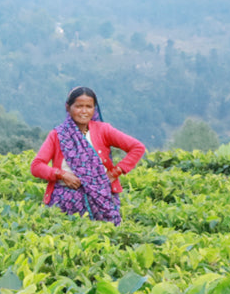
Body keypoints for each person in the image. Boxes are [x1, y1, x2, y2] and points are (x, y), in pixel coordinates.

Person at [30, 86, 145, 225]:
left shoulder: (103, 130)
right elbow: (36, 166)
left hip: (101, 199)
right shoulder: (58, 135)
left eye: (89, 106)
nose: (84, 111)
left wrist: (116, 172)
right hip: (65, 199)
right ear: (68, 107)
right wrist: (62, 175)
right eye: (79, 106)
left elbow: (137, 148)